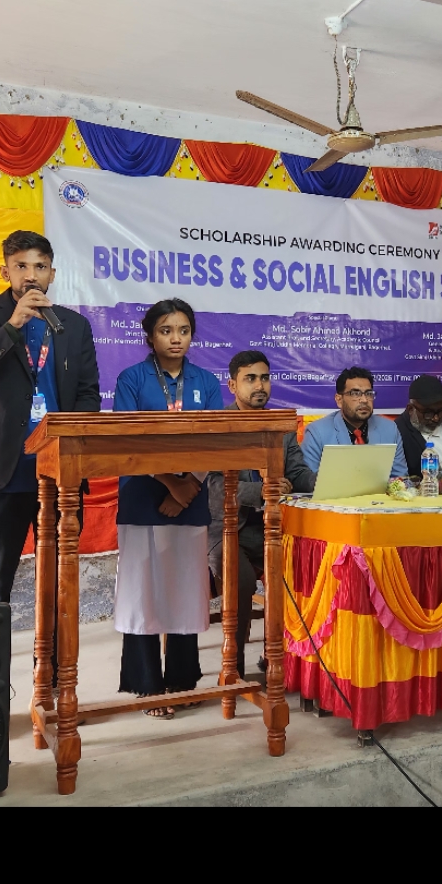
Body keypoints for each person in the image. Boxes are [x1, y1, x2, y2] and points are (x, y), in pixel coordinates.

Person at [0, 231, 100, 679]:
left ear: (52, 273)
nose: (30, 275)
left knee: (57, 581)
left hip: (58, 471)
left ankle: (50, 676)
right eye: (21, 266)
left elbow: (88, 395)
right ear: (5, 271)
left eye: (39, 266)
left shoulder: (73, 325)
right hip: (1, 468)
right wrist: (11, 326)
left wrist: (72, 445)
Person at [113, 297, 223, 715]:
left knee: (185, 589)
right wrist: (170, 484)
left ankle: (181, 677)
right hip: (142, 497)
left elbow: (215, 440)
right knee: (141, 591)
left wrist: (189, 485)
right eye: (166, 330)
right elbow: (126, 440)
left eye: (183, 330)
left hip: (190, 500)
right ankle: (146, 682)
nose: (176, 338)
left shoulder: (206, 382)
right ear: (150, 335)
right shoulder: (131, 379)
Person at [207, 350, 316, 680]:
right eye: (250, 378)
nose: (260, 385)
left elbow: (297, 473)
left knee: (305, 570)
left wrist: (329, 482)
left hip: (274, 527)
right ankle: (233, 667)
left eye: (265, 378)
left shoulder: (281, 426)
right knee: (240, 581)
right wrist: (263, 490)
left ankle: (283, 661)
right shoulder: (219, 426)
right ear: (232, 385)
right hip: (229, 529)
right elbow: (214, 486)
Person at [300, 367, 408, 478]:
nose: (364, 400)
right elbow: (310, 481)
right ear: (339, 400)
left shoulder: (389, 429)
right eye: (355, 394)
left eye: (368, 393)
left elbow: (400, 478)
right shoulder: (317, 432)